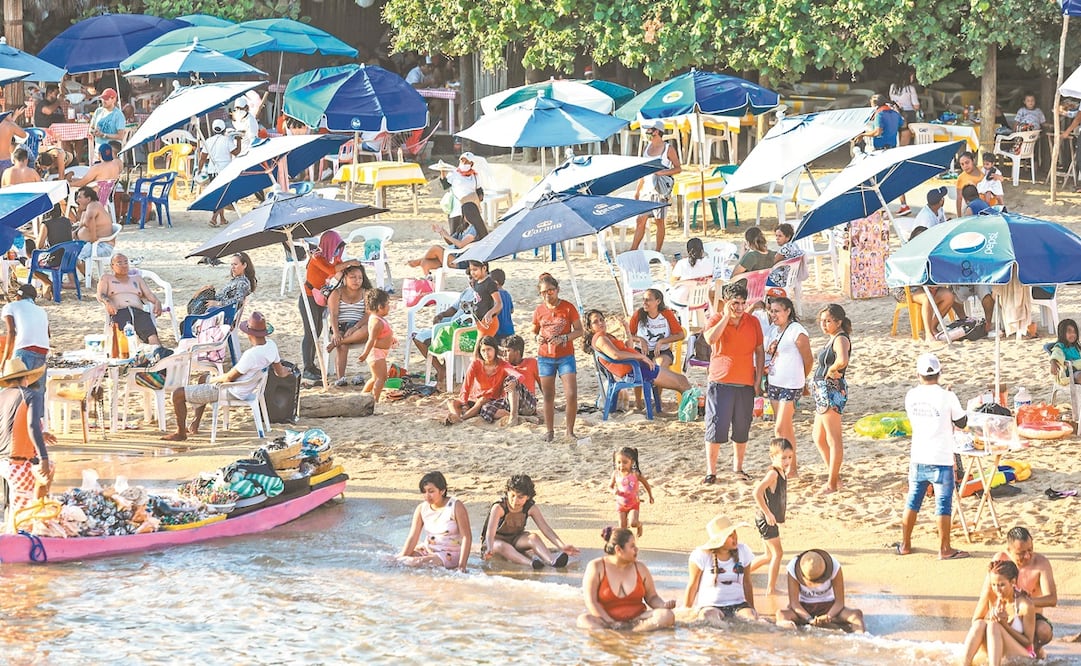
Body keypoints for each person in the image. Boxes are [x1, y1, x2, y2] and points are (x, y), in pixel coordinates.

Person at [162, 312, 289, 441]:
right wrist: (288, 371)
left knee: (178, 394)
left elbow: (229, 378)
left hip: (232, 391)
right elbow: (280, 372)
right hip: (246, 388)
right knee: (202, 378)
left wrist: (212, 380)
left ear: (250, 334)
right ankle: (195, 424)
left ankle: (181, 433)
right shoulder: (271, 346)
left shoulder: (251, 355)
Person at [896, 353, 969, 560]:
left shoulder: (911, 395)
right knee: (943, 503)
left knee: (913, 501)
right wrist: (949, 397)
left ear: (918, 375)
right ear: (939, 373)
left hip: (919, 455)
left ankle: (905, 544)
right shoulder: (947, 396)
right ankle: (944, 548)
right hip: (941, 457)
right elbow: (962, 422)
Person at [701, 282, 763, 484]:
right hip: (720, 381)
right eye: (735, 303)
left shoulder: (752, 321)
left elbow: (759, 350)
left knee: (742, 427)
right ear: (726, 302)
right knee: (716, 426)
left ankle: (738, 468)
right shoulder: (716, 319)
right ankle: (711, 471)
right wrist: (726, 317)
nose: (740, 307)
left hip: (745, 382)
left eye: (743, 303)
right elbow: (710, 339)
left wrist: (758, 379)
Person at [583, 309, 690, 413]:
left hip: (636, 368)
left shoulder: (605, 336)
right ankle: (689, 413)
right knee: (682, 382)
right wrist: (641, 357)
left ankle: (687, 411)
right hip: (636, 371)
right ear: (589, 327)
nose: (601, 323)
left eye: (602, 319)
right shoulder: (601, 339)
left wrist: (627, 330)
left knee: (682, 381)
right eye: (595, 322)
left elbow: (628, 347)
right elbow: (616, 355)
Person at [578, 526, 676, 631]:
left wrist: (663, 605)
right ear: (618, 549)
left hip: (637, 621)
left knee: (666, 615)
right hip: (607, 621)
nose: (636, 549)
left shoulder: (641, 568)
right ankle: (613, 636)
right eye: (632, 546)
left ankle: (633, 633)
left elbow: (652, 597)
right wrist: (612, 623)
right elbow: (591, 601)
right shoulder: (596, 567)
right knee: (583, 620)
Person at [300, 230, 361, 383]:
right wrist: (350, 262)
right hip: (308, 298)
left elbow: (339, 273)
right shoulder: (317, 257)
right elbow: (331, 270)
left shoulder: (333, 258)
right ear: (329, 244)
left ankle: (313, 366)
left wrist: (353, 279)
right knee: (310, 332)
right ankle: (307, 368)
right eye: (336, 247)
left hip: (320, 297)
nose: (337, 251)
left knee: (318, 330)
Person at [482, 474, 579, 569]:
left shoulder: (530, 508)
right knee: (502, 546)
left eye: (520, 497)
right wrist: (489, 548)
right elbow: (490, 533)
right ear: (507, 492)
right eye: (513, 495)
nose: (515, 500)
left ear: (528, 497)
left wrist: (561, 546)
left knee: (533, 537)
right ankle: (531, 563)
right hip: (494, 542)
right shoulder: (499, 507)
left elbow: (546, 529)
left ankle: (552, 561)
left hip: (515, 540)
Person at [986, 527, 1058, 655]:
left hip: (1032, 617)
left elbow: (1052, 599)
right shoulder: (1000, 560)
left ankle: (1034, 652)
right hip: (1005, 613)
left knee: (1044, 631)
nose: (1027, 556)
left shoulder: (1041, 563)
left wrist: (1023, 602)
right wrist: (992, 612)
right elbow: (988, 593)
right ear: (1009, 550)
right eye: (1021, 553)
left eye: (1030, 550)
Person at [0, 358, 53, 524]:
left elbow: (10, 427)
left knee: (15, 507)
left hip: (4, 462)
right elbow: (32, 426)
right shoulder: (31, 395)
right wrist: (44, 458)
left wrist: (40, 437)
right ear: (26, 378)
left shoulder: (2, 396)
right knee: (24, 518)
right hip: (19, 463)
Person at [532, 274, 583, 442]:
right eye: (543, 292)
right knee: (548, 395)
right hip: (545, 356)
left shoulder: (568, 308)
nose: (548, 294)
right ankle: (549, 431)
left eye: (551, 290)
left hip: (565, 356)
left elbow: (579, 330)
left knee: (571, 394)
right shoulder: (539, 310)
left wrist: (564, 338)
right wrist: (537, 338)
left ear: (557, 290)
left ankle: (569, 431)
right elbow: (534, 330)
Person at [764, 297, 812, 475]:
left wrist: (802, 379)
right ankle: (790, 467)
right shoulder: (774, 330)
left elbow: (808, 359)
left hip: (791, 384)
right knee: (784, 428)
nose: (773, 314)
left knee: (780, 426)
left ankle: (784, 465)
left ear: (788, 311)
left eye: (777, 311)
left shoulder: (796, 331)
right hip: (774, 382)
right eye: (771, 311)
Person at [683, 515, 758, 623]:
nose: (735, 537)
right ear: (719, 540)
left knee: (751, 619)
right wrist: (686, 611)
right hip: (710, 606)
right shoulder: (701, 555)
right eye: (730, 535)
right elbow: (693, 585)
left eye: (735, 533)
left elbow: (747, 582)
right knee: (708, 618)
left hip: (738, 604)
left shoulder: (743, 551)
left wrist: (752, 609)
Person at [961, 559, 1036, 666]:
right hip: (996, 648)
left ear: (1013, 582)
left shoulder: (1025, 605)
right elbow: (975, 622)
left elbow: (1028, 642)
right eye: (993, 584)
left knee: (993, 626)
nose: (997, 589)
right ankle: (964, 664)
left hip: (1021, 653)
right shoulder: (990, 595)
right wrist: (991, 619)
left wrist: (1004, 625)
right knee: (980, 624)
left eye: (1001, 585)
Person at [397, 471, 472, 572]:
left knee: (415, 562)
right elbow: (413, 536)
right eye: (424, 492)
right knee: (396, 560)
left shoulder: (456, 506)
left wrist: (462, 566)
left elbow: (466, 537)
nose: (427, 495)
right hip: (427, 550)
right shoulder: (421, 508)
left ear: (442, 491)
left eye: (431, 491)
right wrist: (401, 556)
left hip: (449, 553)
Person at [776, 549, 866, 632]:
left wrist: (828, 616)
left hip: (829, 606)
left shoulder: (835, 566)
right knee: (781, 615)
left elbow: (839, 602)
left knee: (856, 615)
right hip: (803, 607)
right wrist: (809, 619)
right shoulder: (793, 567)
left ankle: (860, 638)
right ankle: (793, 639)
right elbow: (794, 603)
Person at [811, 304, 851, 494]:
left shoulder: (841, 338)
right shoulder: (833, 338)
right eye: (822, 321)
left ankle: (832, 483)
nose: (824, 324)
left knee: (833, 439)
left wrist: (832, 369)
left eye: (828, 321)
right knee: (818, 437)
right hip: (822, 390)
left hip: (830, 390)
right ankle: (835, 477)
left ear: (838, 322)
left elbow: (843, 360)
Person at [748, 438, 793, 594]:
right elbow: (757, 492)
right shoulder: (773, 474)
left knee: (768, 555)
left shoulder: (782, 472)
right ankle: (771, 589)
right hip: (765, 519)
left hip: (767, 519)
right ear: (772, 457)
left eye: (790, 457)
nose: (787, 461)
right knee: (777, 554)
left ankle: (740, 574)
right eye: (783, 458)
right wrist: (768, 513)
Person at [631, 119, 681, 252]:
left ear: (657, 131)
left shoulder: (668, 149)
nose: (647, 132)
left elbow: (678, 168)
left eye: (649, 130)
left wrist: (662, 173)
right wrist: (638, 190)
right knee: (640, 220)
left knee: (659, 221)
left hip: (659, 190)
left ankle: (657, 251)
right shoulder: (646, 148)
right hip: (646, 190)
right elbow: (642, 171)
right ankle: (633, 249)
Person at [445, 335, 515, 424]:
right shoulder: (475, 364)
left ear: (495, 349)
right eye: (483, 350)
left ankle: (462, 419)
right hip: (474, 398)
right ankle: (456, 416)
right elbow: (466, 386)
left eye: (489, 349)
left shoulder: (503, 365)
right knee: (451, 402)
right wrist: (464, 403)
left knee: (482, 401)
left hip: (492, 401)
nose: (486, 353)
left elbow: (515, 375)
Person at [97, 254, 162, 347]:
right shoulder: (107, 278)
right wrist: (108, 302)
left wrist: (157, 302)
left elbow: (149, 295)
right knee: (124, 341)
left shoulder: (137, 279)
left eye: (126, 262)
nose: (124, 265)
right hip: (119, 312)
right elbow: (100, 294)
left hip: (139, 312)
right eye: (119, 263)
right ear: (112, 266)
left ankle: (157, 351)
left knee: (152, 336)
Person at [862, 94, 909, 214]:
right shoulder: (894, 113)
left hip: (881, 149)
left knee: (879, 179)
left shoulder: (880, 114)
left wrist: (863, 135)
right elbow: (903, 124)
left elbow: (878, 132)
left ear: (875, 105)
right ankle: (904, 205)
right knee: (895, 177)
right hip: (893, 147)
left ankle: (882, 208)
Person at [326, 265, 371, 387]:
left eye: (360, 278)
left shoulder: (365, 293)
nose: (357, 281)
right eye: (353, 277)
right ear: (345, 277)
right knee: (343, 345)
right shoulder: (337, 293)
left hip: (359, 326)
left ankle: (338, 342)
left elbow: (368, 314)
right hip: (340, 326)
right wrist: (336, 332)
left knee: (368, 329)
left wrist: (355, 327)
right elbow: (333, 315)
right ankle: (341, 378)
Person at [1, 284, 49, 391]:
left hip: (24, 349)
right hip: (43, 350)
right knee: (37, 392)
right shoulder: (41, 310)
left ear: (18, 296)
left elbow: (11, 332)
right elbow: (47, 333)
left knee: (18, 390)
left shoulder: (10, 306)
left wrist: (4, 360)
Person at [481, 334, 538, 426]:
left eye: (507, 351)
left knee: (512, 379)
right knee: (485, 408)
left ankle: (513, 417)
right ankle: (520, 417)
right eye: (504, 351)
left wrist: (550, 403)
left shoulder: (531, 362)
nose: (504, 354)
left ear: (517, 352)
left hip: (527, 402)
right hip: (509, 402)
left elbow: (542, 384)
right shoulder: (504, 365)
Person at [197, 118, 242, 227]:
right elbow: (237, 152)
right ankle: (213, 219)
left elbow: (202, 158)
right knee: (222, 195)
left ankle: (222, 219)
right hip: (224, 171)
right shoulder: (226, 141)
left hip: (212, 171)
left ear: (213, 129)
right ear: (224, 129)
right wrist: (239, 140)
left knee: (219, 194)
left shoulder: (208, 141)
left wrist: (199, 170)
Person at [627, 288, 685, 371]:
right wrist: (640, 339)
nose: (644, 303)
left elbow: (680, 335)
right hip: (641, 351)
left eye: (648, 300)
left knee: (659, 366)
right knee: (637, 368)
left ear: (658, 301)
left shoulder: (667, 314)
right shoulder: (638, 314)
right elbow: (628, 335)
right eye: (643, 299)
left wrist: (662, 341)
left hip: (662, 352)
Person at [435, 153, 488, 240]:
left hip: (470, 209)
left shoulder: (475, 176)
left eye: (466, 161)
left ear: (471, 163)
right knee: (455, 233)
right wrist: (442, 173)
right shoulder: (454, 173)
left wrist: (479, 199)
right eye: (462, 160)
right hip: (456, 209)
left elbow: (479, 189)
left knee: (472, 231)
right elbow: (445, 185)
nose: (464, 163)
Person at [358, 289, 396, 403]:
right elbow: (371, 340)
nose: (389, 306)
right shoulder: (376, 322)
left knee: (375, 378)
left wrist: (391, 339)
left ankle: (362, 397)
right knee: (381, 377)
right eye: (387, 304)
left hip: (380, 352)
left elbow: (383, 334)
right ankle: (375, 400)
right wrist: (365, 354)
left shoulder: (379, 319)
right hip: (376, 353)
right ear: (380, 306)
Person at [69, 184, 115, 279]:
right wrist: (76, 232)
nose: (77, 200)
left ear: (88, 199)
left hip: (101, 246)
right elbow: (82, 224)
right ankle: (85, 278)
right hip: (92, 244)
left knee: (73, 257)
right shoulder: (88, 209)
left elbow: (89, 219)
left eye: (79, 197)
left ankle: (88, 279)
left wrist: (93, 240)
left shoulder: (93, 205)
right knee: (68, 253)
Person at [192, 251, 256, 317]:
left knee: (192, 314)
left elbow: (238, 302)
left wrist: (218, 303)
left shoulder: (242, 283)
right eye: (231, 264)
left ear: (244, 265)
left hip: (218, 313)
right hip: (217, 311)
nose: (232, 267)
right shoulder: (237, 280)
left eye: (235, 264)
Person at [408, 217, 477, 275]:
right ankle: (429, 282)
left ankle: (419, 260)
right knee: (425, 263)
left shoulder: (474, 229)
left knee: (435, 248)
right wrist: (442, 232)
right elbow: (450, 242)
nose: (465, 217)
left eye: (466, 214)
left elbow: (461, 244)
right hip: (453, 256)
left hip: (462, 261)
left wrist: (446, 235)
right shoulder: (464, 227)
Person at [610, 446, 654, 537]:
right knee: (622, 528)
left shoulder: (635, 474)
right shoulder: (615, 474)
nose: (621, 465)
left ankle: (639, 525)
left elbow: (646, 484)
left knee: (633, 523)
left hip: (634, 503)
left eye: (625, 462)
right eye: (618, 462)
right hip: (621, 504)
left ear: (632, 462)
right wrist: (613, 490)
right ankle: (626, 542)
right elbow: (610, 487)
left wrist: (650, 496)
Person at [467, 260, 502, 339]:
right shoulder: (476, 282)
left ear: (484, 268)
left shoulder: (490, 283)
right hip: (479, 321)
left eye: (475, 269)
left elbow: (499, 303)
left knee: (479, 345)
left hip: (488, 322)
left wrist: (489, 313)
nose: (472, 273)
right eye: (471, 270)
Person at [889, 67, 921, 145]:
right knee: (908, 136)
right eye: (912, 76)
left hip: (895, 113)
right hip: (908, 114)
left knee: (898, 134)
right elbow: (916, 106)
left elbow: (892, 100)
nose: (913, 78)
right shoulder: (910, 89)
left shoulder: (892, 87)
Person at [88, 88, 125, 152]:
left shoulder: (118, 115)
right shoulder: (98, 111)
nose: (103, 101)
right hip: (98, 148)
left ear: (114, 99)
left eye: (106, 99)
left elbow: (120, 136)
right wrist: (94, 132)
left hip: (112, 150)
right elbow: (91, 128)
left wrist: (103, 135)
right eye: (103, 98)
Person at [1049, 319, 1081, 386]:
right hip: (1071, 373)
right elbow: (1055, 354)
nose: (1073, 334)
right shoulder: (1060, 347)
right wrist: (1053, 363)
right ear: (1062, 333)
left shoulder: (1077, 346)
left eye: (1074, 332)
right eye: (1069, 332)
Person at [0, 111, 28, 181]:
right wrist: (12, 122)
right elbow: (24, 135)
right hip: (5, 160)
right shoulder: (10, 125)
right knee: (6, 184)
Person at [955, 151, 984, 217]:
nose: (965, 166)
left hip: (986, 206)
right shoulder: (961, 178)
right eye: (962, 164)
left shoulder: (983, 171)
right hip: (971, 210)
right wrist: (959, 216)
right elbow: (959, 198)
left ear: (973, 161)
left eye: (967, 162)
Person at [491, 268, 514, 341]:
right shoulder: (507, 294)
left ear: (495, 282)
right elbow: (512, 310)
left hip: (498, 329)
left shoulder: (495, 295)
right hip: (509, 329)